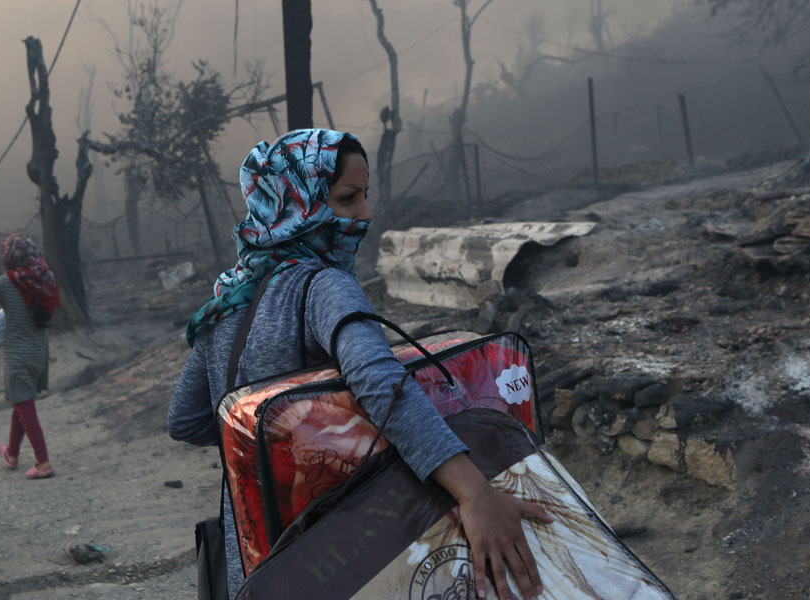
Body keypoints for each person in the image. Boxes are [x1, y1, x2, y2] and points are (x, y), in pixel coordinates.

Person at [167, 129, 552, 600]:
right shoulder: (324, 285)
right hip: (339, 554)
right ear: (297, 205)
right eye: (347, 199)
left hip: (256, 560)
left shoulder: (226, 303)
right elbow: (378, 380)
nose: (365, 215)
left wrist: (275, 439)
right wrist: (474, 493)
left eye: (365, 196)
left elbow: (186, 420)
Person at [0, 233, 59, 480]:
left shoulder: (7, 282)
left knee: (25, 407)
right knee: (21, 402)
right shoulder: (45, 278)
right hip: (40, 352)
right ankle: (11, 454)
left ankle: (43, 463)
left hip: (18, 354)